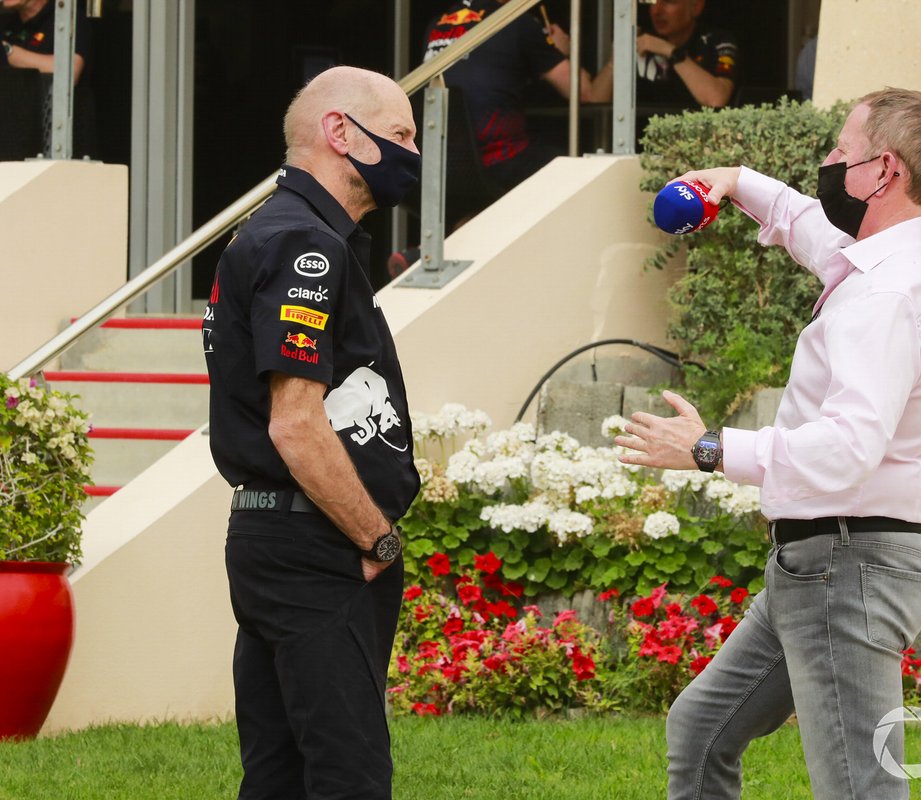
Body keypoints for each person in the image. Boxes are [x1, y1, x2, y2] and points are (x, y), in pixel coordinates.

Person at [615, 88, 921, 799]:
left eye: (842, 151)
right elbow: (824, 237)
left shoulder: (885, 299)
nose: (829, 163)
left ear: (884, 171)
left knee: (858, 786)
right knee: (702, 729)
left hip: (847, 564)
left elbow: (845, 451)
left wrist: (710, 449)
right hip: (823, 560)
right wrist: (739, 184)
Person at [202, 65, 422, 800]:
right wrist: (376, 538)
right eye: (400, 136)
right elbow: (296, 424)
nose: (412, 156)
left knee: (280, 771)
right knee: (348, 772)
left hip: (276, 538)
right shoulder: (305, 246)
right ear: (340, 133)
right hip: (316, 546)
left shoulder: (274, 234)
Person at [422, 0, 599, 195]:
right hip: (500, 161)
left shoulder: (436, 27)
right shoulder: (517, 22)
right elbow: (584, 92)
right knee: (581, 171)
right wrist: (560, 51)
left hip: (443, 163)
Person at [591, 0, 739, 112]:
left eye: (668, 1)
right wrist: (616, 59)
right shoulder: (642, 40)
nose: (656, 10)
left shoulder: (717, 41)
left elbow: (716, 99)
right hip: (639, 145)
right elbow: (595, 103)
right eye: (653, 1)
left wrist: (670, 51)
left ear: (696, 7)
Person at [0, 0, 96, 157]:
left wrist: (7, 51)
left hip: (61, 148)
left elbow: (69, 72)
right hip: (14, 143)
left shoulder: (69, 18)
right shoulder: (8, 24)